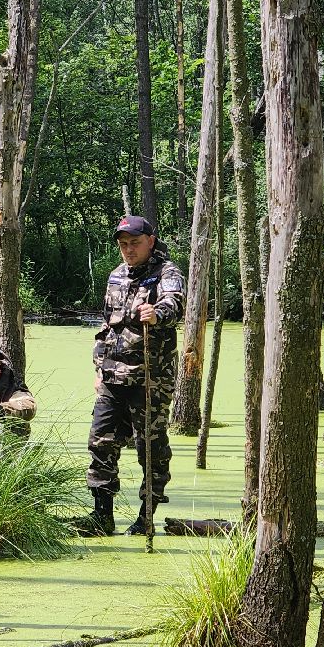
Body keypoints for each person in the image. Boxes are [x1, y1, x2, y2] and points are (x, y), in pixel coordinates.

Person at [79, 215, 185, 536]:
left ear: (150, 241)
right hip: (113, 378)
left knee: (150, 448)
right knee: (101, 442)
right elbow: (106, 326)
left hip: (149, 379)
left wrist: (158, 314)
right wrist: (100, 368)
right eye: (123, 244)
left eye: (134, 243)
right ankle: (102, 516)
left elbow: (175, 303)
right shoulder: (116, 276)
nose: (128, 250)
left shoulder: (166, 272)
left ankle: (146, 517)